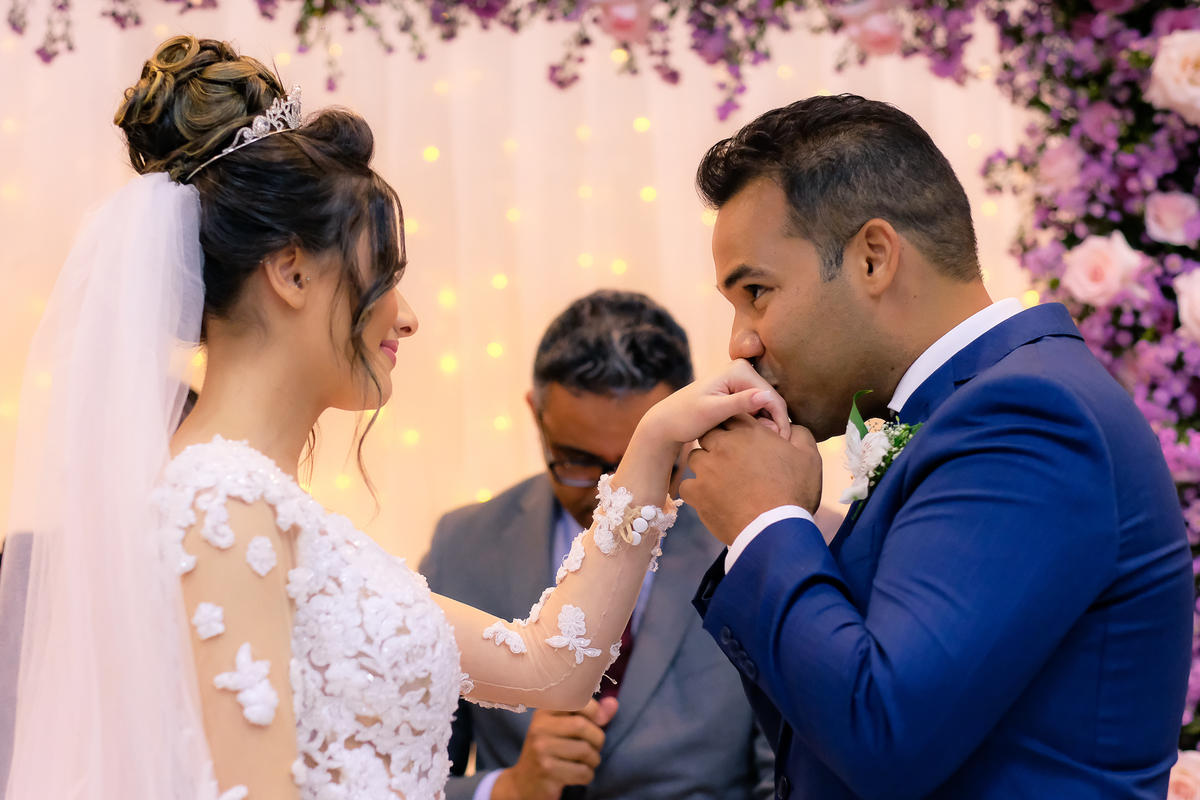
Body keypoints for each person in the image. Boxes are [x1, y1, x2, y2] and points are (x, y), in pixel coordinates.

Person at [0, 36, 790, 800]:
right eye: (383, 272)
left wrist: (652, 446)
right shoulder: (220, 504)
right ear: (291, 272)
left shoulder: (264, 509)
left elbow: (551, 666)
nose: (406, 316)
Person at [680, 94, 1193, 798]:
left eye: (757, 292)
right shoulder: (969, 407)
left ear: (873, 258)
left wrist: (765, 520)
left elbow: (884, 732)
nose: (740, 342)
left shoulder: (1028, 417)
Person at [422, 290, 775, 800]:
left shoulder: (749, 538)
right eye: (578, 462)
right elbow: (405, 781)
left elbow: (788, 779)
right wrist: (509, 788)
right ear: (536, 415)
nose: (608, 494)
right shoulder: (464, 545)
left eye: (642, 461)